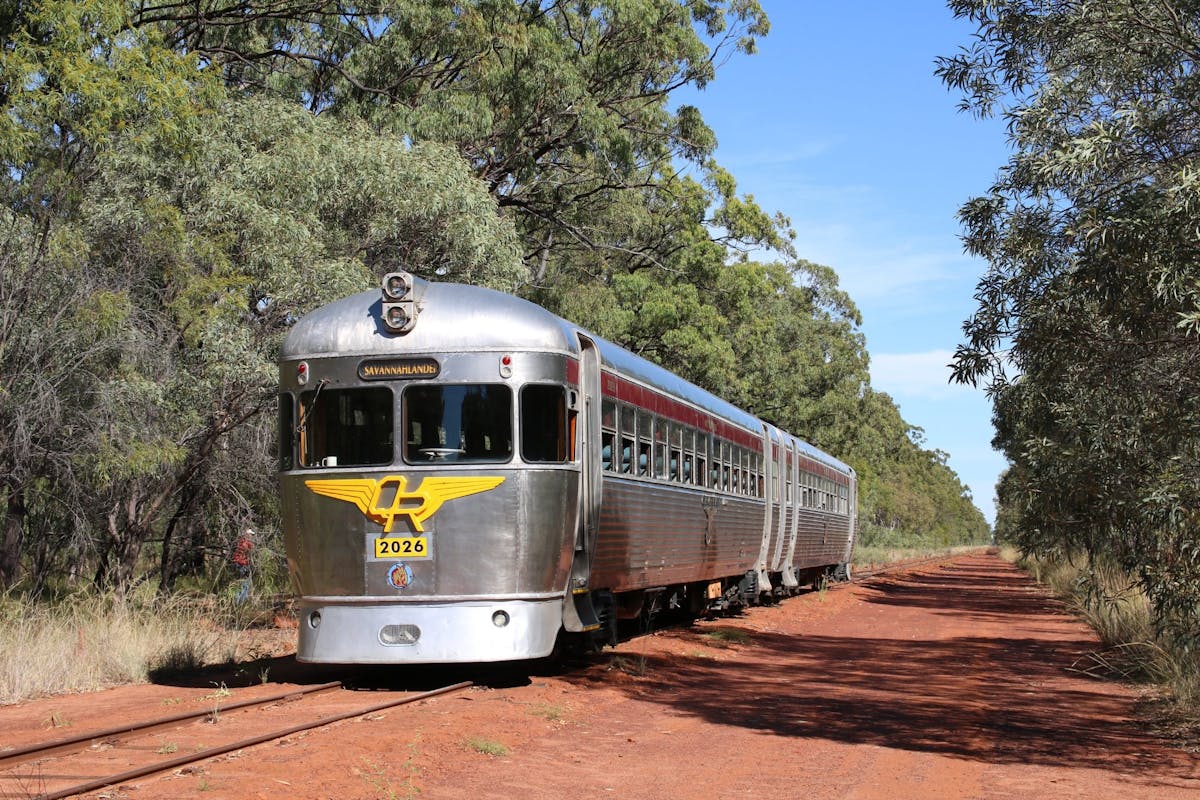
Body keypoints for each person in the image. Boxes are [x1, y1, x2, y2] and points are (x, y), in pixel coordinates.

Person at [232, 528, 254, 603]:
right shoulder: (245, 543)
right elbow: (251, 549)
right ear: (247, 535)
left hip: (238, 564)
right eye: (251, 534)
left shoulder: (240, 542)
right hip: (242, 565)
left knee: (241, 584)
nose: (251, 536)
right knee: (245, 584)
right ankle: (241, 602)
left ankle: (238, 602)